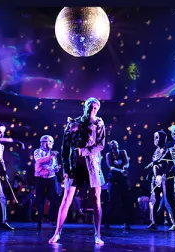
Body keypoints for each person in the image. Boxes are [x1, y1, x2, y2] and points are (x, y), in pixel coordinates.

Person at [50, 97, 107, 245]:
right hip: (75, 166)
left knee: (96, 199)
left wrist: (85, 151)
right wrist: (66, 168)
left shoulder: (99, 123)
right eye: (90, 107)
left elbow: (101, 145)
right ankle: (57, 233)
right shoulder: (72, 123)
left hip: (93, 165)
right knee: (67, 199)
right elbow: (65, 147)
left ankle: (98, 235)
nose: (92, 110)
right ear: (85, 106)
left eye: (95, 108)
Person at [146, 130, 175, 231]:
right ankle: (153, 222)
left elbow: (170, 164)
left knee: (168, 200)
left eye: (157, 137)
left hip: (165, 179)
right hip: (155, 179)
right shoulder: (155, 152)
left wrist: (164, 174)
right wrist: (155, 177)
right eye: (154, 137)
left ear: (163, 139)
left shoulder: (169, 150)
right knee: (153, 201)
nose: (155, 140)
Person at [31, 135, 62, 228]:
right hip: (40, 177)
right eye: (49, 141)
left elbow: (55, 164)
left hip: (51, 177)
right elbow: (39, 161)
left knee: (55, 196)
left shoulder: (52, 153)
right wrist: (50, 156)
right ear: (43, 142)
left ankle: (51, 218)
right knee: (40, 199)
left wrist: (56, 168)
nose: (51, 144)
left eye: (52, 142)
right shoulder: (37, 151)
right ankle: (39, 220)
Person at [103, 140, 133, 230]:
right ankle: (107, 223)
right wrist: (120, 171)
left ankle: (126, 223)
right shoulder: (108, 155)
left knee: (124, 201)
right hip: (112, 179)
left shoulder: (123, 152)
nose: (114, 148)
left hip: (122, 179)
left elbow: (127, 162)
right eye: (112, 146)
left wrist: (125, 167)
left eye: (115, 145)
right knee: (111, 200)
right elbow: (110, 167)